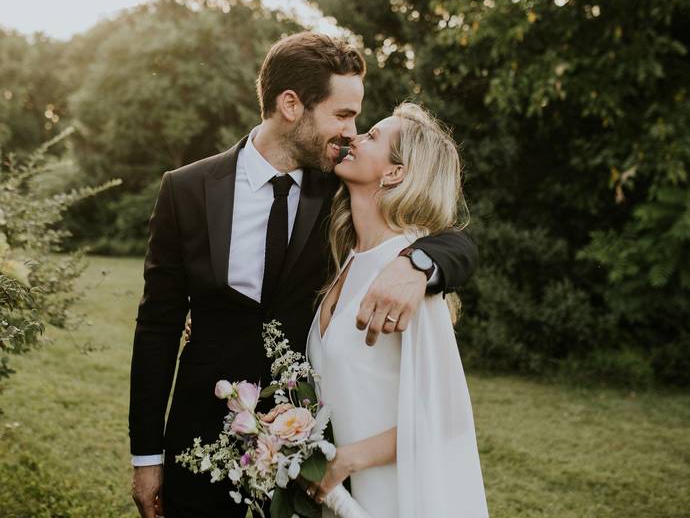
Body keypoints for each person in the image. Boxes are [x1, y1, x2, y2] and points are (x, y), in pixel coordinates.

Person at [129, 32, 478, 517]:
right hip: (199, 437)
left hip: (308, 461)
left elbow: (454, 238)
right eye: (343, 114)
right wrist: (147, 456)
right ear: (291, 105)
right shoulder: (186, 190)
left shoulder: (339, 187)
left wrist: (418, 263)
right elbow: (156, 328)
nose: (352, 131)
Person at [303, 102, 488, 517]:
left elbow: (448, 418)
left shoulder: (407, 277)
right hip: (342, 497)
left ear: (394, 173)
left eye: (372, 137)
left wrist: (351, 459)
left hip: (395, 494)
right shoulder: (346, 261)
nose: (355, 137)